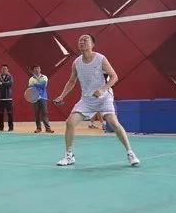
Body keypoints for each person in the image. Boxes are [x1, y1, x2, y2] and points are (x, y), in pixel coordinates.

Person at [54, 33, 139, 167]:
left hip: (104, 97)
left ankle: (130, 153)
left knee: (114, 123)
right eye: (80, 40)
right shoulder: (76, 63)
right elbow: (72, 81)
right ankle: (69, 156)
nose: (82, 42)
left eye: (85, 40)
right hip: (87, 100)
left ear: (92, 44)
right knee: (70, 123)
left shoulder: (100, 59)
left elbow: (114, 77)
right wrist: (62, 96)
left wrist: (102, 89)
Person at [29, 64, 53, 133]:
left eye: (38, 68)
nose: (37, 70)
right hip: (35, 98)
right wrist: (38, 85)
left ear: (40, 69)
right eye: (35, 69)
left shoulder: (44, 77)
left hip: (43, 97)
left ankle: (48, 128)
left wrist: (35, 85)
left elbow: (44, 86)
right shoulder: (31, 79)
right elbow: (31, 88)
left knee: (44, 113)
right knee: (37, 114)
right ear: (33, 70)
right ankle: (38, 128)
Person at [0, 64, 14, 132]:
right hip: (0, 98)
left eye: (5, 69)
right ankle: (1, 127)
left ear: (7, 70)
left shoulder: (10, 77)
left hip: (8, 98)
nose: (4, 70)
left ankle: (11, 127)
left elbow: (10, 84)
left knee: (10, 113)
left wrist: (2, 84)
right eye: (3, 69)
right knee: (0, 113)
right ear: (1, 70)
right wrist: (4, 84)